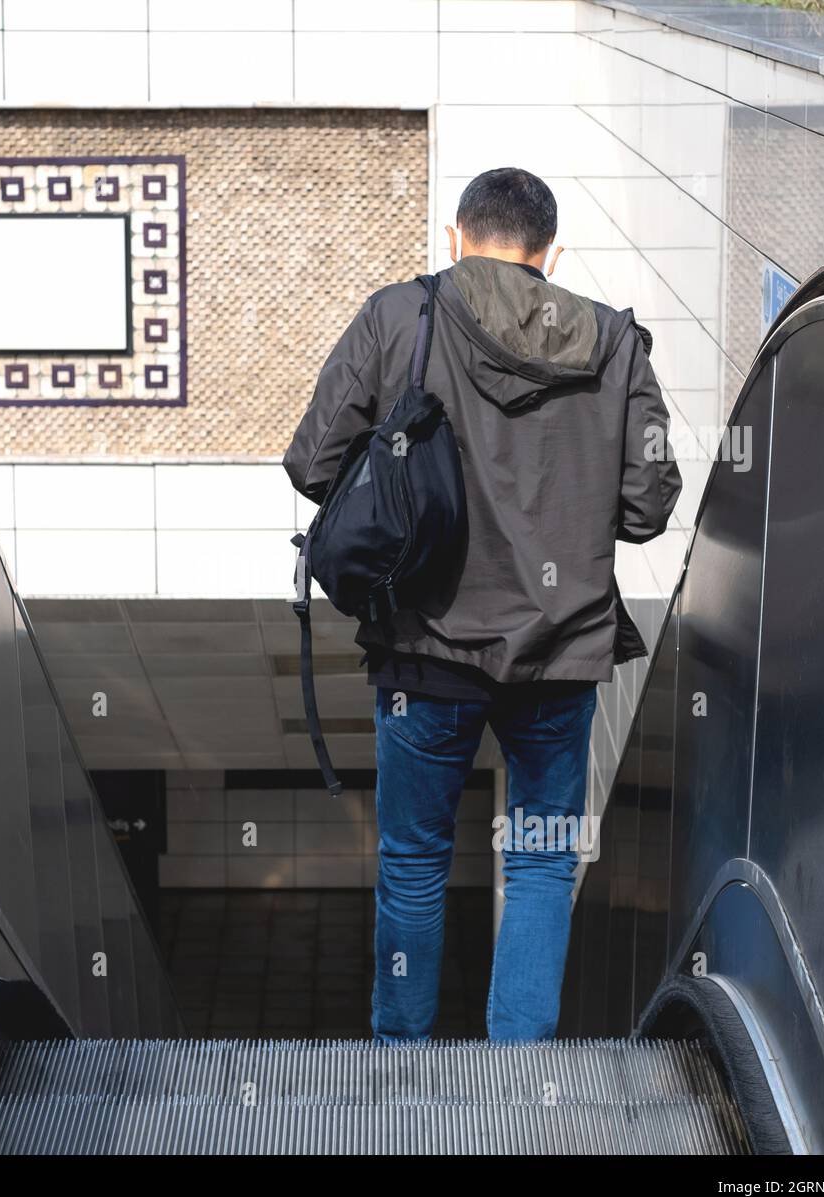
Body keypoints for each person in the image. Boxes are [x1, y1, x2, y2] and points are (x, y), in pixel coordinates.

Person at [282, 167, 681, 1045]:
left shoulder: (400, 315)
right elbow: (651, 504)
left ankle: (400, 1062)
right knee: (541, 862)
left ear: (458, 237)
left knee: (415, 863)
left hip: (425, 651)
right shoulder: (618, 344)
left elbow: (313, 462)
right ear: (550, 254)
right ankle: (515, 1079)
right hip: (560, 658)